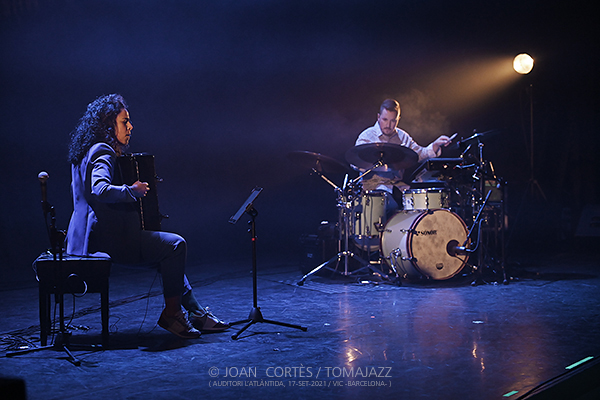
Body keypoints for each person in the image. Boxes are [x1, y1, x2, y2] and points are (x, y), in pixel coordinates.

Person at [65, 94, 229, 339]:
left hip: (85, 242)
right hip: (108, 242)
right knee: (175, 246)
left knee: (167, 253)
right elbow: (100, 189)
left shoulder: (84, 153)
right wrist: (133, 190)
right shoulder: (104, 152)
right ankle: (172, 314)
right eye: (124, 121)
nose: (130, 127)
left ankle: (195, 312)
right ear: (108, 124)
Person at [355, 98, 453, 210]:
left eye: (393, 121)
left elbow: (419, 154)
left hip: (398, 186)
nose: (388, 125)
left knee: (420, 204)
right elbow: (355, 161)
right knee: (390, 206)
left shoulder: (403, 137)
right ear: (378, 117)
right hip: (373, 186)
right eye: (385, 119)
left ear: (398, 119)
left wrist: (435, 145)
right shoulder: (367, 136)